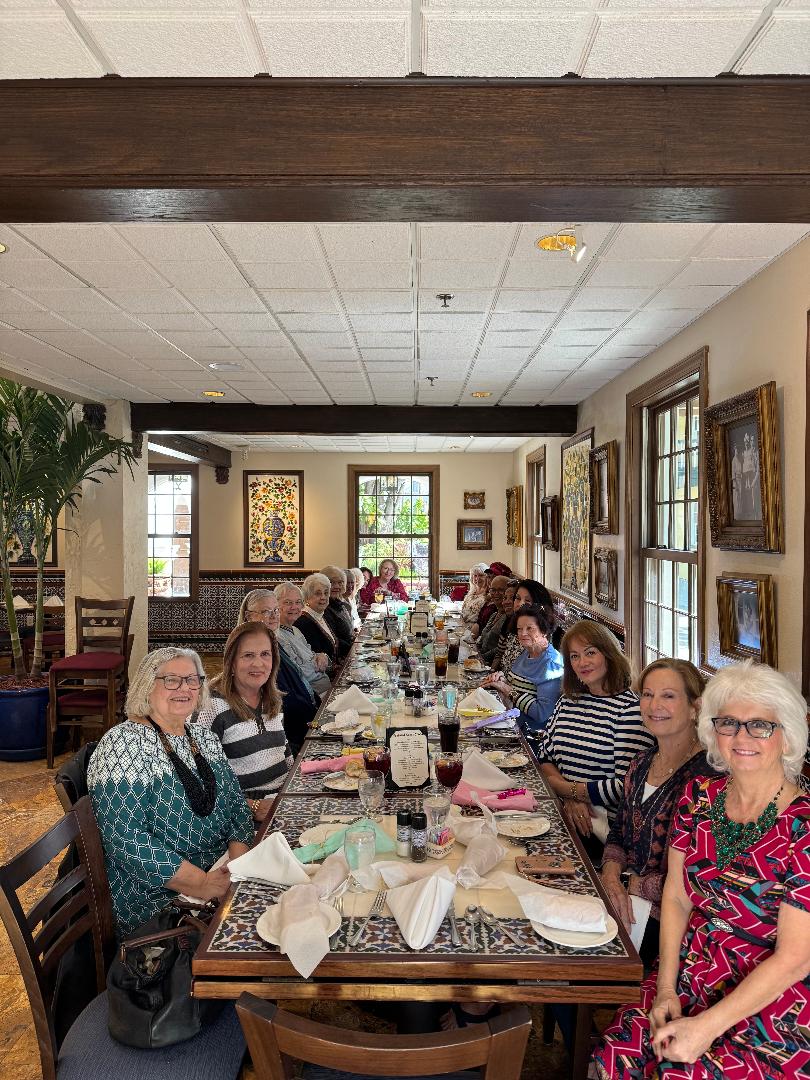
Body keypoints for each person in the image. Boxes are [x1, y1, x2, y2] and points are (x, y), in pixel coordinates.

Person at [593, 660, 810, 1078]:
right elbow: (676, 897)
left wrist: (706, 1027)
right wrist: (665, 989)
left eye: (760, 725)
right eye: (728, 723)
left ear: (787, 735)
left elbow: (795, 958)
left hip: (772, 1000)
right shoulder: (699, 796)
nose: (741, 737)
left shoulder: (803, 826)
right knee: (615, 1053)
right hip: (691, 972)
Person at [87, 647, 253, 936]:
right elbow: (125, 838)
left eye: (192, 680)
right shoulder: (123, 744)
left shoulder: (203, 738)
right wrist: (201, 883)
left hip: (221, 871)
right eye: (171, 680)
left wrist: (237, 867)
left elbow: (238, 806)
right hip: (159, 899)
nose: (184, 688)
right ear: (146, 687)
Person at [600, 659, 717, 967]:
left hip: (673, 923)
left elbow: (700, 879)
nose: (654, 705)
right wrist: (610, 878)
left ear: (695, 707)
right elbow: (618, 832)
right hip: (627, 900)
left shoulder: (707, 779)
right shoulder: (640, 763)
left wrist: (631, 885)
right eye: (648, 694)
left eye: (668, 695)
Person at [538, 620, 653, 854]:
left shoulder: (631, 711)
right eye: (574, 656)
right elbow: (544, 756)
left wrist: (566, 790)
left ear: (609, 654)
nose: (582, 663)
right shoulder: (567, 702)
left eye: (590, 653)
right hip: (561, 810)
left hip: (602, 833)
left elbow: (625, 787)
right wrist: (570, 796)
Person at [197, 621, 294, 819]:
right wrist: (252, 807)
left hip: (282, 800)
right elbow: (198, 781)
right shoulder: (212, 707)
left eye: (265, 654)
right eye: (248, 655)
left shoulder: (270, 699)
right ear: (232, 662)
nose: (258, 664)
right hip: (244, 815)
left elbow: (285, 755)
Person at [237, 588, 319, 755]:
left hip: (303, 721)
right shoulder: (252, 652)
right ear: (248, 616)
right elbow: (277, 698)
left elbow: (297, 680)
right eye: (266, 612)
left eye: (275, 610)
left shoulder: (272, 642)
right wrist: (313, 715)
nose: (274, 616)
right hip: (286, 736)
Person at [483, 605, 564, 737]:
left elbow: (541, 713)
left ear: (544, 630)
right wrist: (501, 680)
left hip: (530, 736)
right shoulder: (527, 652)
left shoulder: (551, 664)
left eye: (529, 628)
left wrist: (506, 689)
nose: (523, 633)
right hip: (509, 724)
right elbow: (517, 686)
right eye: (519, 629)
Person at [274, 580, 332, 696]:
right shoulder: (278, 637)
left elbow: (313, 657)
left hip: (327, 688)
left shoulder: (296, 630)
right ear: (276, 606)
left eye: (298, 602)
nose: (294, 607)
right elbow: (298, 673)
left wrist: (322, 656)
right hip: (314, 696)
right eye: (288, 602)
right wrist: (317, 662)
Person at [490, 578, 555, 673]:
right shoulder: (514, 627)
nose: (520, 604)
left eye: (527, 600)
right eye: (518, 598)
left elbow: (532, 678)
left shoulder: (539, 637)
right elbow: (504, 665)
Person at [296, 572, 340, 666]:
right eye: (318, 594)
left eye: (326, 593)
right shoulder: (303, 622)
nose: (323, 597)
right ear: (307, 597)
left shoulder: (323, 615)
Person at [475, 577, 514, 664]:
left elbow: (501, 649)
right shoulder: (494, 615)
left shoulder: (509, 618)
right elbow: (481, 641)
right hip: (480, 662)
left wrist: (480, 658)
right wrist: (473, 651)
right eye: (493, 590)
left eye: (500, 590)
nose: (496, 593)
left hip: (492, 665)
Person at [320, 564, 355, 658]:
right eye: (331, 582)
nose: (336, 586)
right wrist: (355, 647)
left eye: (340, 582)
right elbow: (333, 640)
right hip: (340, 657)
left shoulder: (339, 604)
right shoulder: (324, 608)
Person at [460, 562, 489, 627]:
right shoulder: (470, 593)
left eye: (481, 575)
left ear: (487, 577)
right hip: (462, 625)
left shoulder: (488, 595)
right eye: (475, 575)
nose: (477, 578)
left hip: (475, 628)